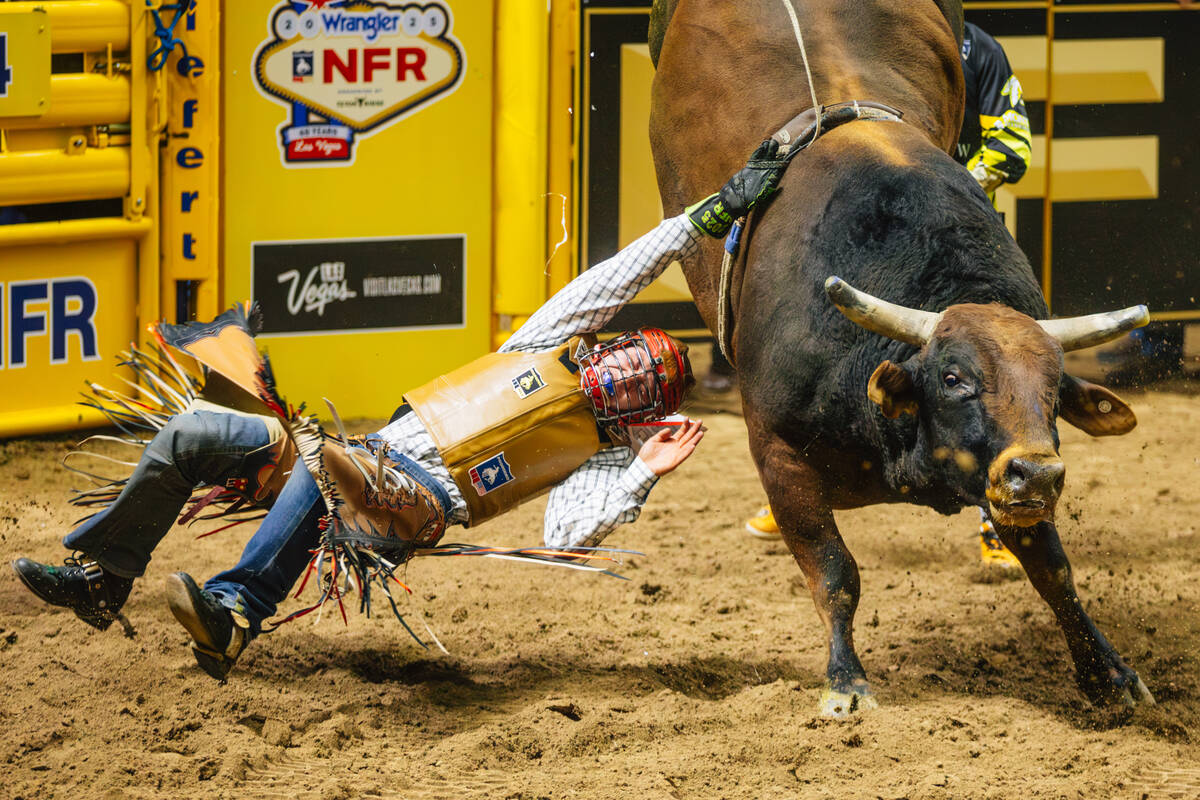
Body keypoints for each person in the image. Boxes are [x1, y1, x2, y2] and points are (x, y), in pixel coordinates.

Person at [13, 142, 785, 680]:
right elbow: (619, 272)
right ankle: (103, 575)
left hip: (412, 506)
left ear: (638, 416)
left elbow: (566, 535)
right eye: (627, 356)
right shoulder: (540, 346)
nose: (619, 375)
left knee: (324, 461)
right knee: (193, 432)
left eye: (638, 384)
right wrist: (713, 213)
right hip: (364, 449)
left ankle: (234, 611)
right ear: (606, 344)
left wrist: (640, 474)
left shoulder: (601, 454)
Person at [745, 25, 1032, 570]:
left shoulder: (979, 50)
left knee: (989, 383)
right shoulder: (868, 39)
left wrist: (944, 191)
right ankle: (800, 482)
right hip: (878, 242)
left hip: (964, 250)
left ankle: (997, 520)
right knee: (832, 357)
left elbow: (1013, 145)